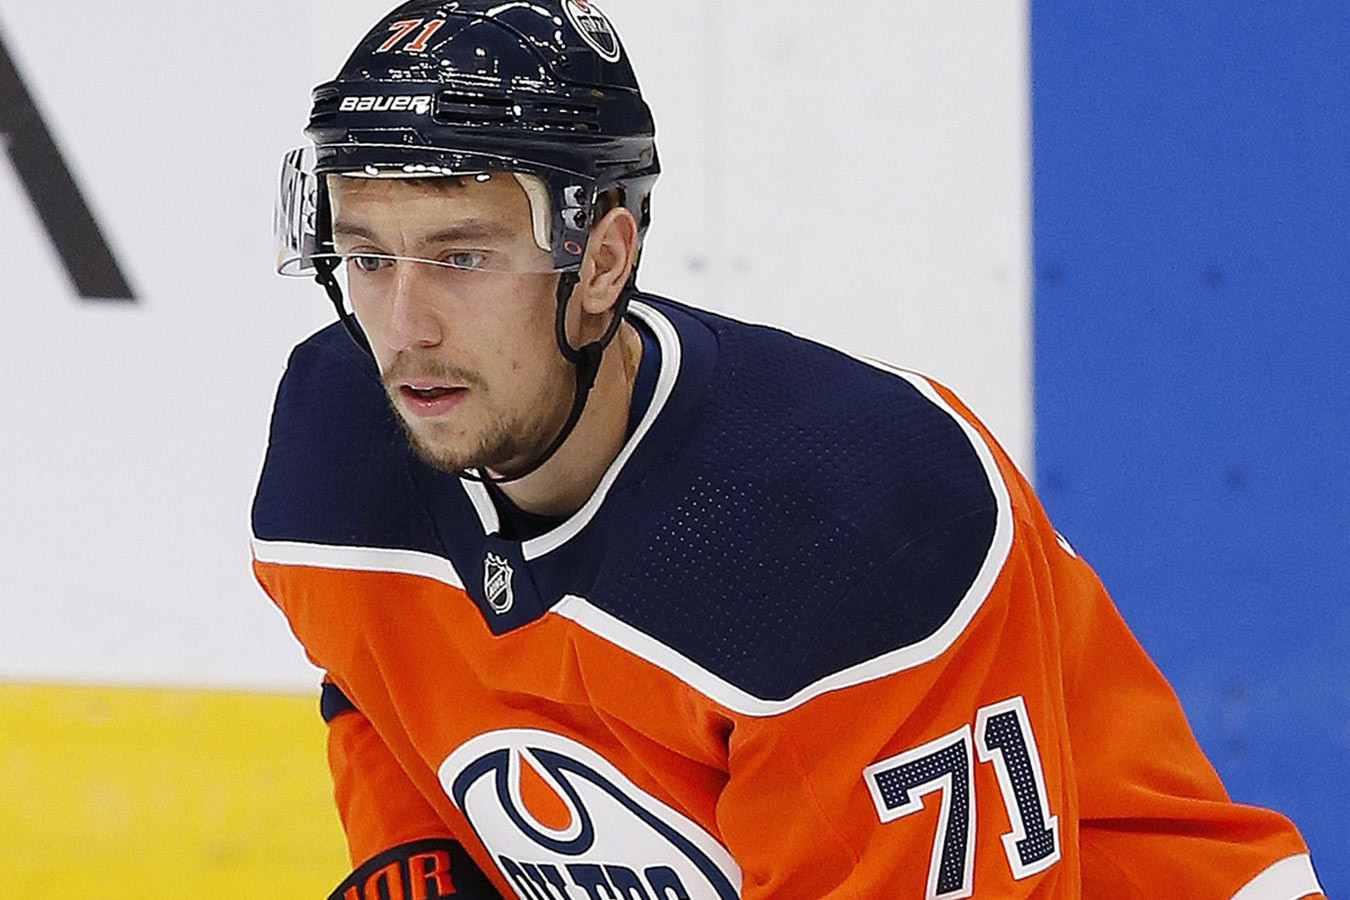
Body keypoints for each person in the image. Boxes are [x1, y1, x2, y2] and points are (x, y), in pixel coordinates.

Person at [253, 2, 1327, 898]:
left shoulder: (852, 522)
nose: (405, 328)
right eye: (367, 257)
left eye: (463, 259)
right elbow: (382, 685)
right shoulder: (337, 449)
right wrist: (412, 853)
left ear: (603, 263)